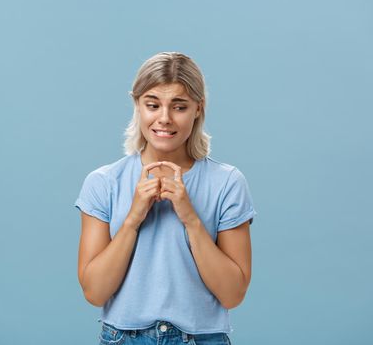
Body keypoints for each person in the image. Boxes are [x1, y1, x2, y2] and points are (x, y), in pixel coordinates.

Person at [74, 52, 257, 345]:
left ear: (198, 108)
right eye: (152, 105)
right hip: (124, 338)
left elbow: (233, 294)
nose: (164, 118)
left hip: (201, 338)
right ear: (137, 106)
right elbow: (94, 292)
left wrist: (190, 218)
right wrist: (133, 219)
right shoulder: (103, 182)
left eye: (179, 106)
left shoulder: (227, 183)